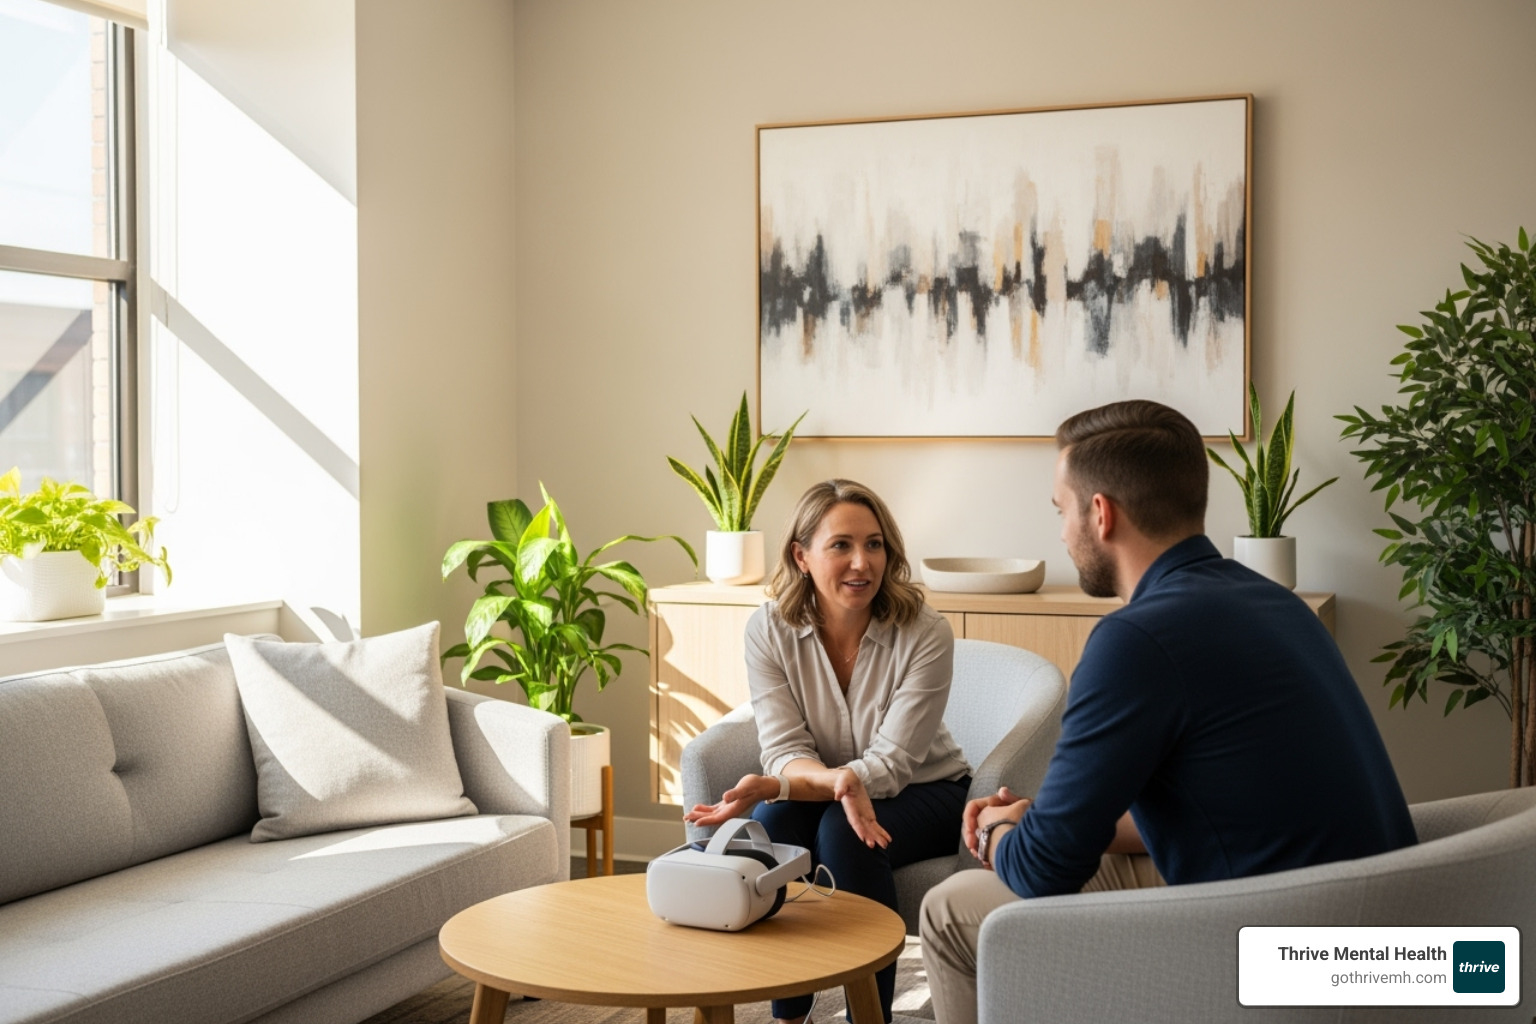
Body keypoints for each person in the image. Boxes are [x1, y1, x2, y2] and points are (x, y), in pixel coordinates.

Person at [919, 400, 1416, 1024]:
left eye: (1060, 511)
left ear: (1100, 513)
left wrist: (996, 832)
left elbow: (1043, 871)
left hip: (1263, 939)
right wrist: (1042, 816)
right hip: (1363, 923)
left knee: (948, 911)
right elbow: (1218, 806)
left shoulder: (1138, 639)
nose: (1063, 532)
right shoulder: (1273, 601)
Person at [686, 478, 973, 1024]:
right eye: (841, 544)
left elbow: (890, 764)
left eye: (874, 544)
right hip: (824, 786)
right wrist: (800, 785)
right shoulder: (767, 630)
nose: (861, 562)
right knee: (767, 833)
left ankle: (870, 1016)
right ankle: (790, 1016)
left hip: (927, 791)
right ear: (802, 555)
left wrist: (790, 784)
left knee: (844, 832)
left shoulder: (926, 632)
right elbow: (784, 746)